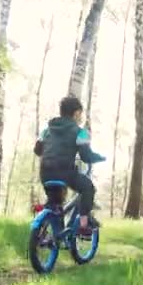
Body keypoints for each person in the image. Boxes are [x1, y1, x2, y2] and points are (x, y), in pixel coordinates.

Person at [33, 96, 105, 236]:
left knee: (55, 203)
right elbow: (86, 156)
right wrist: (100, 157)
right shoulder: (80, 132)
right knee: (87, 188)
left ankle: (52, 233)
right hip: (65, 173)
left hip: (45, 173)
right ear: (77, 113)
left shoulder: (47, 130)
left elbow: (37, 150)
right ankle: (84, 224)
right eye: (80, 114)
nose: (80, 118)